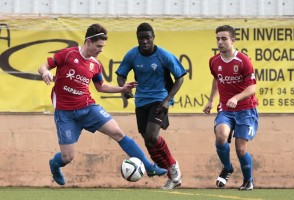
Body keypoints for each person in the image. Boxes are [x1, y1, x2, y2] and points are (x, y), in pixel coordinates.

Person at [38, 23, 167, 186]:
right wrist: (46, 72)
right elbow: (43, 66)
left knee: (118, 133)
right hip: (65, 113)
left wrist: (122, 89)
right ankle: (54, 165)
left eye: (103, 46)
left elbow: (100, 86)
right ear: (88, 42)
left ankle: (150, 167)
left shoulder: (96, 64)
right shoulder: (68, 54)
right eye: (99, 46)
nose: (101, 50)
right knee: (67, 157)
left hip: (88, 107)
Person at [115, 22, 186, 190]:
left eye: (148, 37)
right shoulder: (132, 55)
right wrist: (123, 90)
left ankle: (173, 167)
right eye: (141, 38)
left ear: (153, 37)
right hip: (141, 101)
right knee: (148, 141)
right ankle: (172, 176)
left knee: (153, 136)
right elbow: (121, 76)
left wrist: (168, 99)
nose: (145, 41)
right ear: (137, 39)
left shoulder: (163, 55)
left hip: (160, 99)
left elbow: (180, 78)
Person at [203, 25, 259, 190]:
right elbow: (216, 79)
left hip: (246, 110)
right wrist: (211, 100)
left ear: (233, 40)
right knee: (220, 136)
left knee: (240, 149)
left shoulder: (244, 61)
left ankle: (248, 181)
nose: (220, 42)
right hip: (226, 110)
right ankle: (227, 168)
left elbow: (252, 88)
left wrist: (236, 97)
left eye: (224, 38)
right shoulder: (213, 61)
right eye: (218, 39)